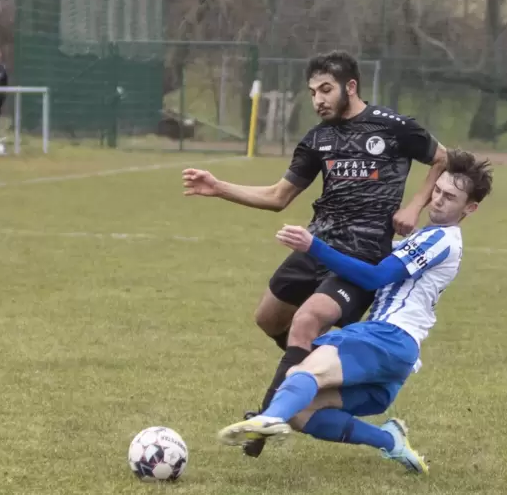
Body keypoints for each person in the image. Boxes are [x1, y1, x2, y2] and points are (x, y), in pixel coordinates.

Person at [182, 50, 448, 458]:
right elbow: (277, 197)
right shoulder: (317, 138)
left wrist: (414, 206)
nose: (318, 99)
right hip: (315, 243)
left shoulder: (394, 128)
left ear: (350, 87)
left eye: (326, 89)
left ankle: (268, 418)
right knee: (269, 318)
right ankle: (314, 371)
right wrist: (219, 188)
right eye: (312, 92)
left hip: (362, 256)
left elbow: (443, 158)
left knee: (305, 320)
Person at [216, 150, 493, 474]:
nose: (439, 200)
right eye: (438, 191)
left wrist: (313, 246)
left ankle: (268, 418)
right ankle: (389, 440)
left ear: (469, 208)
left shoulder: (440, 239)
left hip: (388, 336)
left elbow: (375, 277)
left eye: (451, 197)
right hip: (395, 356)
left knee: (301, 375)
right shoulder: (430, 236)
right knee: (301, 413)